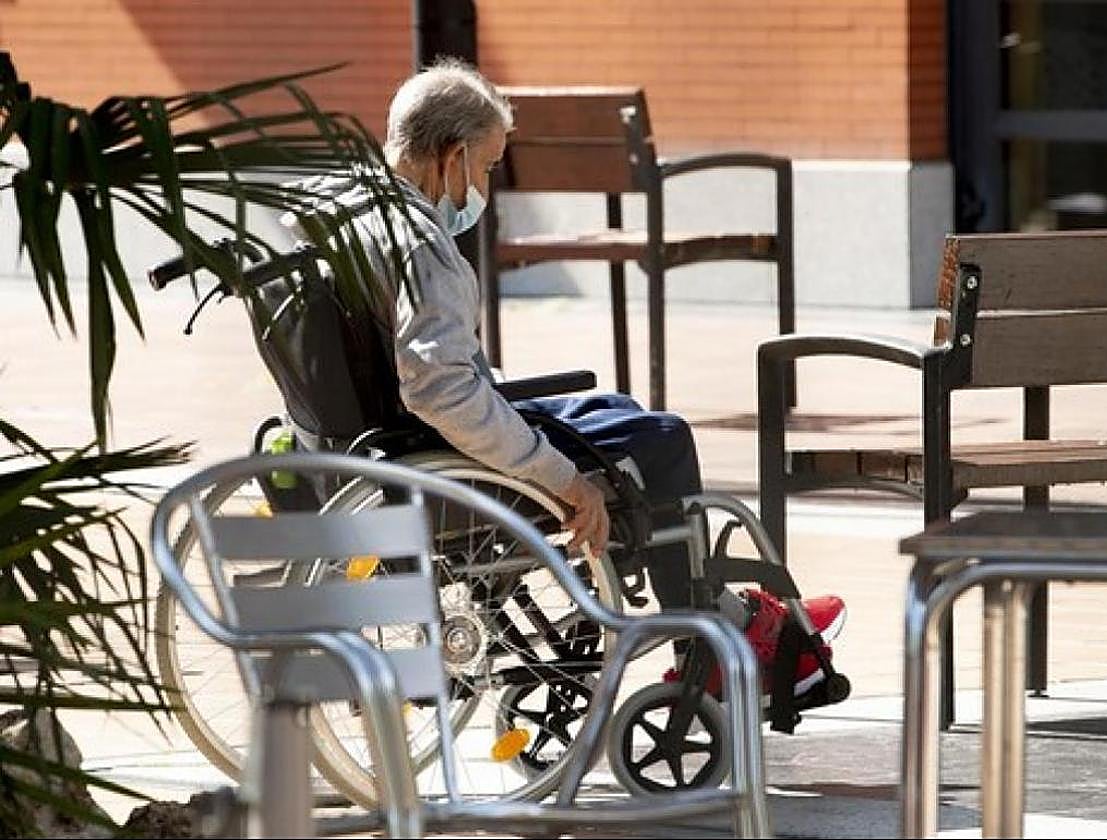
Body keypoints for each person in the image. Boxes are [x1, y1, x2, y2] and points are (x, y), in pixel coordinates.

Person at [313, 59, 846, 692]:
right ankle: (709, 636)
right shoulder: (424, 249)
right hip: (436, 458)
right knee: (662, 439)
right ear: (452, 156)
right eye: (484, 167)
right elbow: (438, 388)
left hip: (386, 444)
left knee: (613, 406)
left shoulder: (345, 216)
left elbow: (428, 370)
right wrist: (564, 480)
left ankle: (709, 611)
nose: (483, 185)